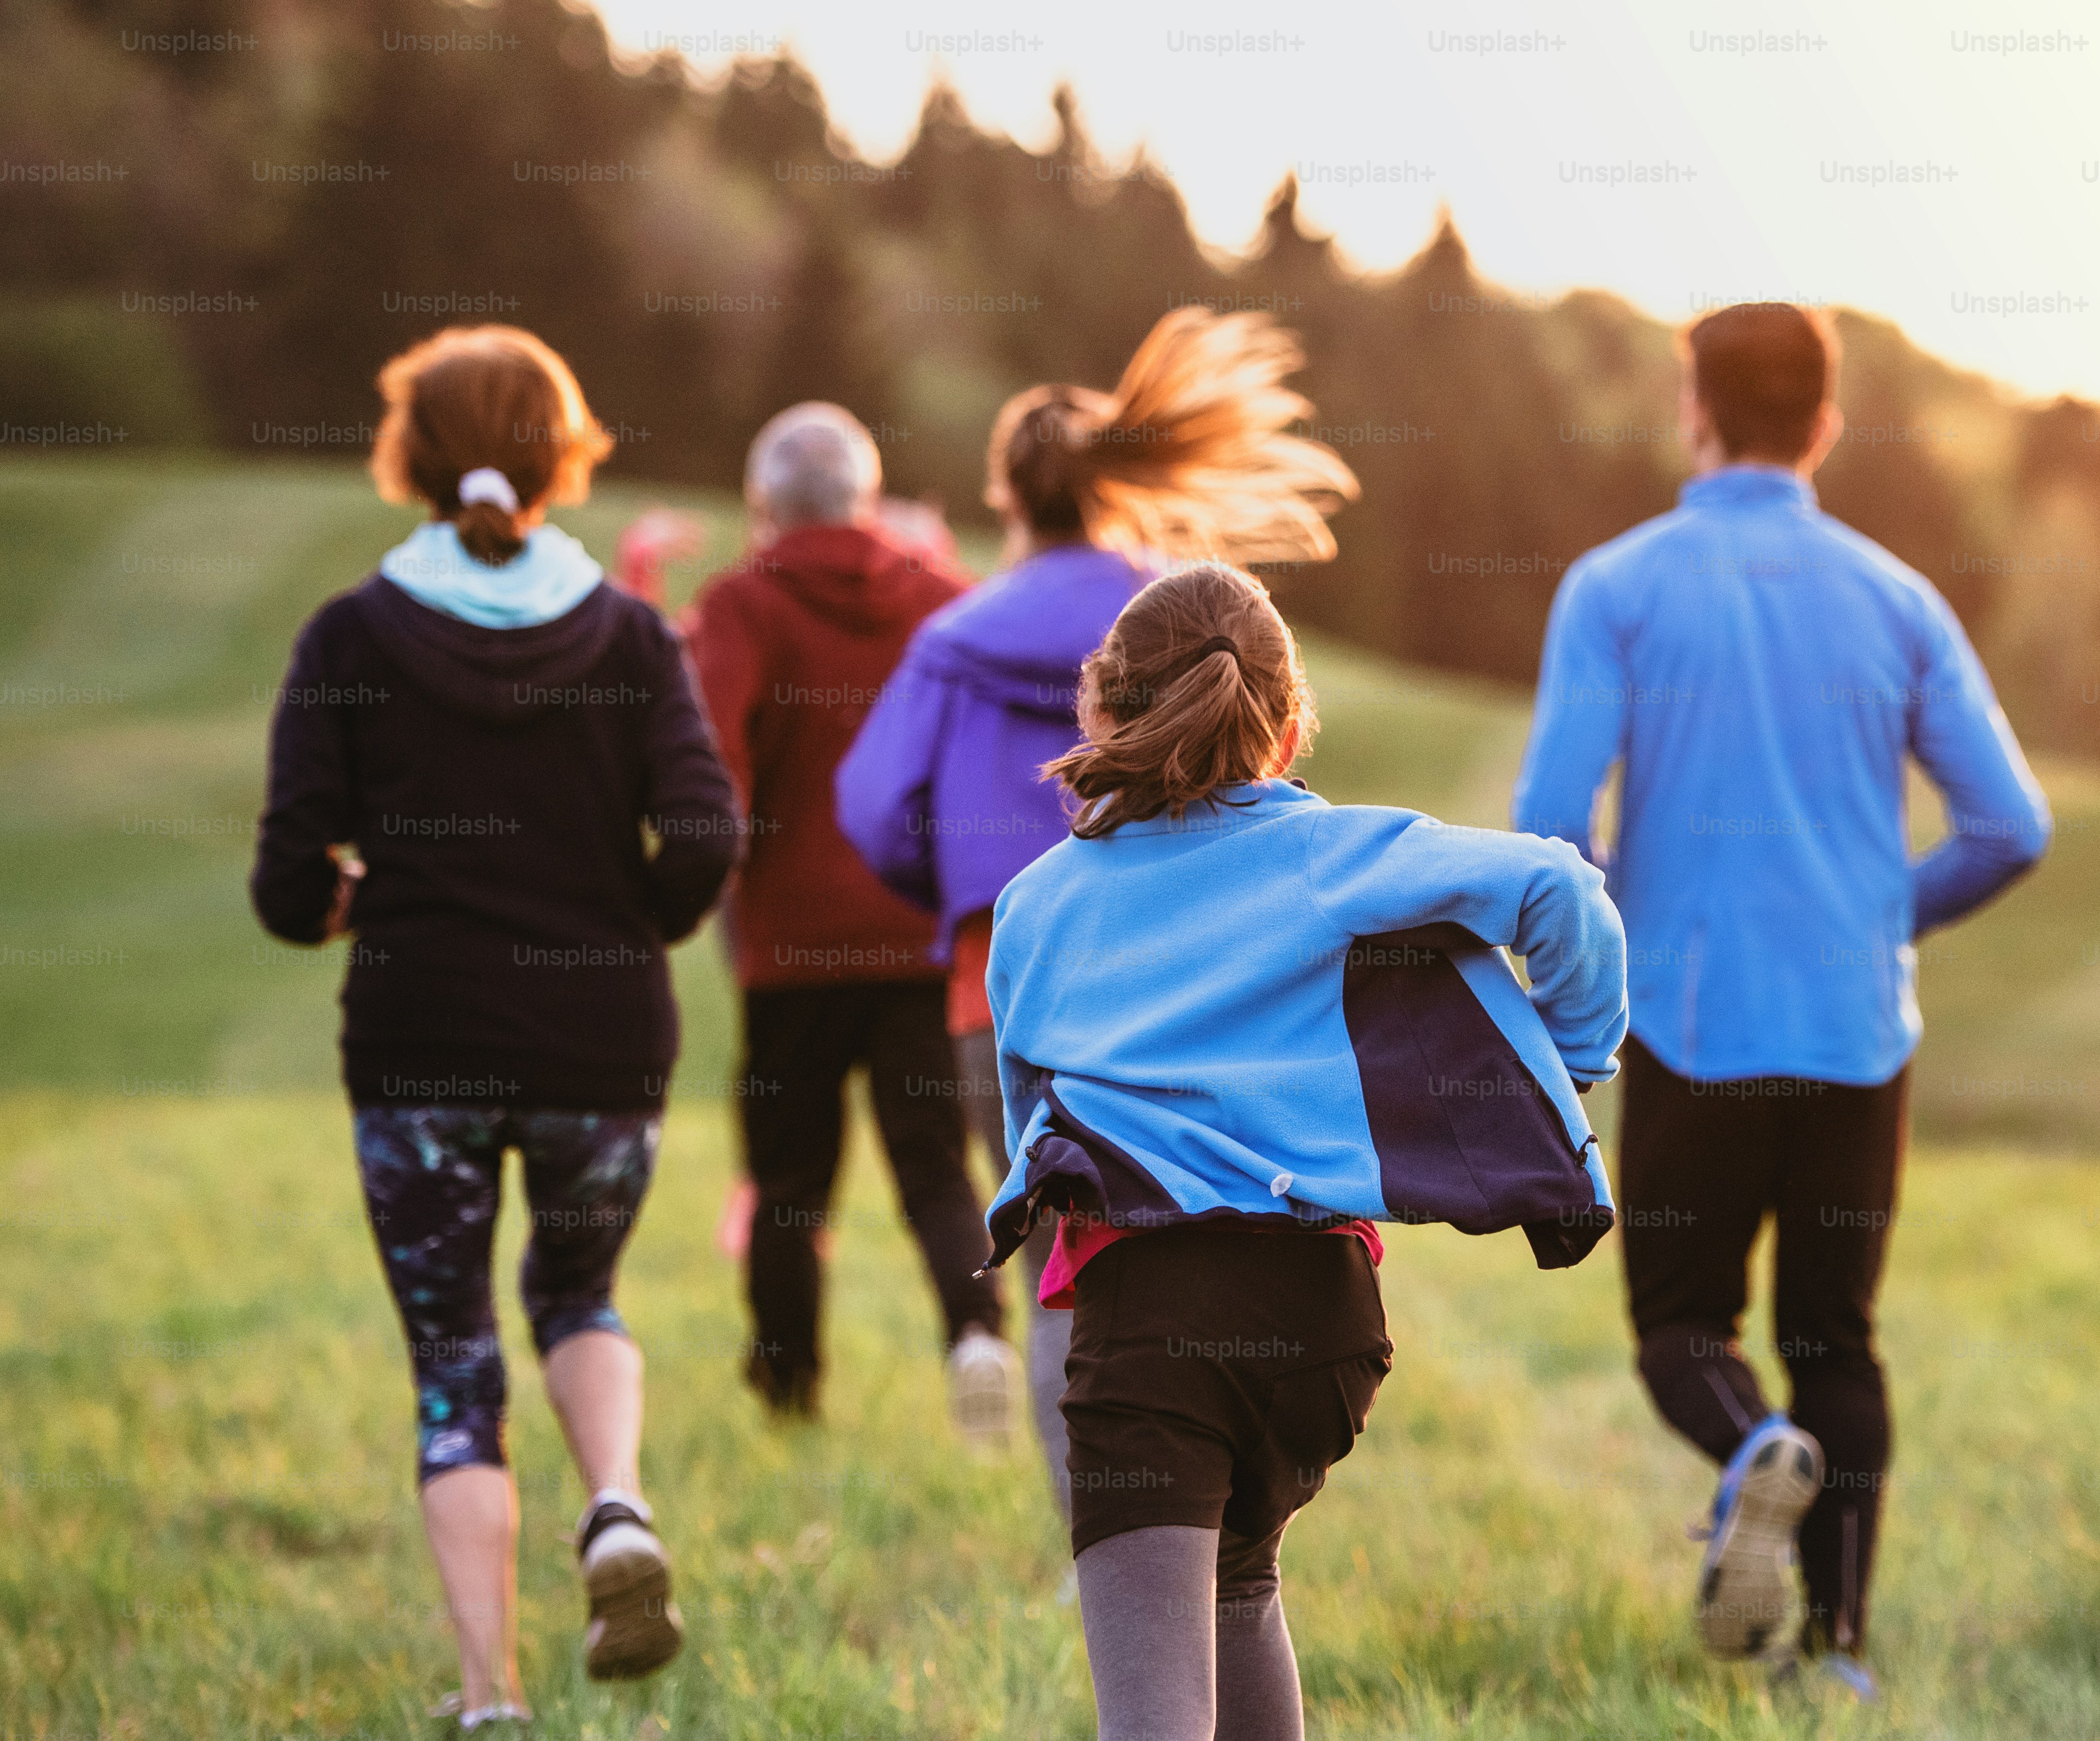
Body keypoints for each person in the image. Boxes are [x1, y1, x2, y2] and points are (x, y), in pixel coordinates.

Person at [984, 560, 1627, 1740]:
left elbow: (1033, 1112)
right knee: (1239, 1578)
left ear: (1104, 713)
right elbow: (1560, 888)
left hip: (1152, 1320)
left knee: (1156, 1716)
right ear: (1285, 732)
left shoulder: (1039, 902)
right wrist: (1570, 1063)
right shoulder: (1341, 856)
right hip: (1323, 1324)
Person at [1512, 302, 2052, 1698]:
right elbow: (2010, 825)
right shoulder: (1898, 597)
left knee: (1682, 1329)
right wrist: (1879, 918)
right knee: (1839, 1338)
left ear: (1693, 407)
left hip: (1691, 1024)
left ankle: (1753, 1454)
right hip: (1857, 1029)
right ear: (1823, 421)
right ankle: (1843, 1655)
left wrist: (1604, 949)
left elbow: (1553, 829)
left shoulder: (1616, 587)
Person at [249, 325, 737, 1725]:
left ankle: (488, 1696)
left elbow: (288, 880)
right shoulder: (636, 635)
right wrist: (624, 919)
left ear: (411, 457)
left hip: (419, 1042)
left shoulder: (349, 635)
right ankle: (618, 1501)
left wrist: (357, 898)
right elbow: (707, 828)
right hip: (605, 1040)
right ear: (557, 458)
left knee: (457, 1356)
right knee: (579, 1293)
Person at [835, 309, 1356, 1535]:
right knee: (1213, 1241)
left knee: (1069, 1256)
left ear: (1008, 496)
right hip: (1201, 982)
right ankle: (1233, 1538)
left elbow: (870, 809)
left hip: (1001, 995)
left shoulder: (951, 639)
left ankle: (1110, 1550)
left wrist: (968, 901)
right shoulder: (1187, 625)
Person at [684, 402, 1016, 1436]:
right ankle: (977, 1331)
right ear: (870, 499)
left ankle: (789, 1395)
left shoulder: (742, 602)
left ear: (762, 505)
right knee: (934, 1161)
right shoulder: (943, 600)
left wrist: (702, 864)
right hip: (922, 934)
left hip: (790, 947)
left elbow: (708, 759)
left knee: (790, 1179)